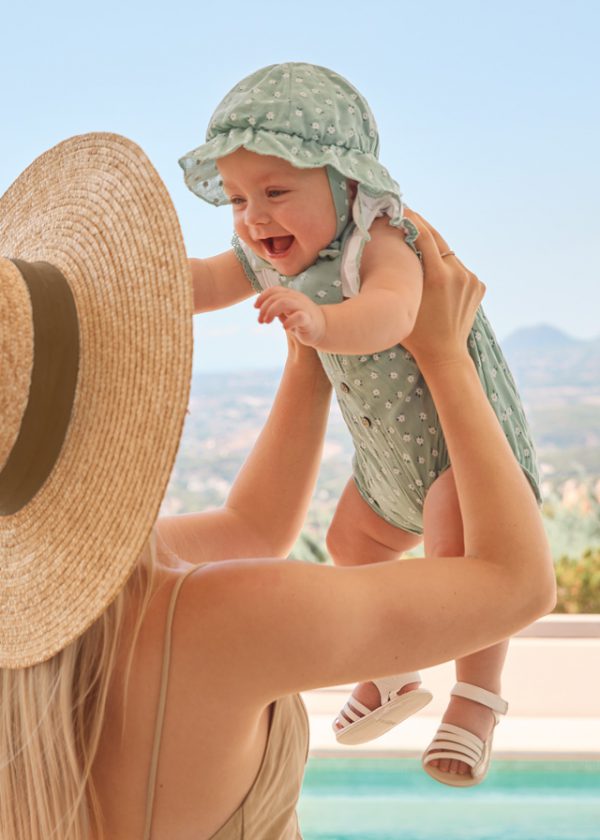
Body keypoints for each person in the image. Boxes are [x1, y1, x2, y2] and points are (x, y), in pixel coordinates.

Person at [0, 131, 554, 840]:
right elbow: (518, 584)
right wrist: (446, 357)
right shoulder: (212, 619)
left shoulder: (67, 605)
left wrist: (311, 348)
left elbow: (253, 526)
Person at [179, 61, 545, 785]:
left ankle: (477, 698)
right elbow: (203, 281)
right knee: (353, 539)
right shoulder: (268, 257)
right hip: (387, 465)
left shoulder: (378, 241)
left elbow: (395, 313)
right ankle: (395, 674)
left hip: (455, 454)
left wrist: (320, 319)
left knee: (460, 566)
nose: (255, 217)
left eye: (277, 192)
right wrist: (139, 282)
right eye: (237, 199)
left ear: (347, 184)